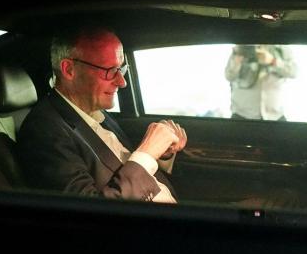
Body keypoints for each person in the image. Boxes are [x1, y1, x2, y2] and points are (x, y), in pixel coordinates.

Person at [17, 28, 185, 202]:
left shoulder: (97, 113)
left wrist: (161, 153)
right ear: (68, 70)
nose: (122, 82)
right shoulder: (44, 131)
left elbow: (121, 166)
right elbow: (89, 212)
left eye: (121, 69)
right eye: (110, 70)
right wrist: (146, 154)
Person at [225, 44, 296, 121]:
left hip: (275, 117)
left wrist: (273, 61)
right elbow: (229, 76)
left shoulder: (282, 49)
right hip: (242, 116)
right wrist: (237, 61)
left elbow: (294, 72)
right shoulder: (243, 47)